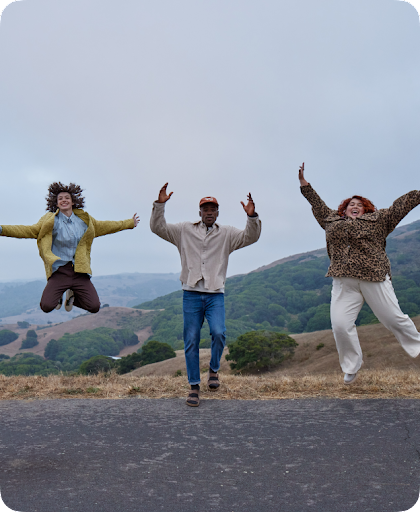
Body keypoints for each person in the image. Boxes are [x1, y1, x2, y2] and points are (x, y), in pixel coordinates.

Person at [299, 162, 420, 384]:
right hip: (344, 281)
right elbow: (317, 205)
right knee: (340, 325)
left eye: (360, 205)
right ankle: (351, 367)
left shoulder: (379, 220)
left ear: (366, 210)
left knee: (393, 318)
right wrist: (304, 185)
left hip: (373, 278)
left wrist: (418, 194)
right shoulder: (332, 221)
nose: (355, 206)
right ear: (343, 210)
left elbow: (401, 205)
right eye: (350, 204)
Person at [150, 183, 262, 406]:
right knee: (191, 339)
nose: (209, 213)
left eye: (213, 210)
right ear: (199, 212)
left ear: (217, 213)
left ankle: (213, 369)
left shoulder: (227, 234)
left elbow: (251, 237)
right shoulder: (184, 230)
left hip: (215, 294)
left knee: (219, 333)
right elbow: (158, 228)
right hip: (190, 293)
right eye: (205, 209)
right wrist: (160, 205)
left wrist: (252, 217)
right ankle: (193, 387)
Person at [0, 182, 139, 314]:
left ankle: (72, 295)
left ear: (73, 202)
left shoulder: (85, 221)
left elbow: (107, 226)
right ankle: (59, 295)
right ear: (56, 203)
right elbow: (29, 230)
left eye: (67, 198)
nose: (64, 200)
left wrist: (129, 223)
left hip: (80, 271)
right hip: (60, 271)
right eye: (60, 198)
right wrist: (2, 229)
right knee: (47, 306)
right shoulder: (50, 220)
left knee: (94, 306)